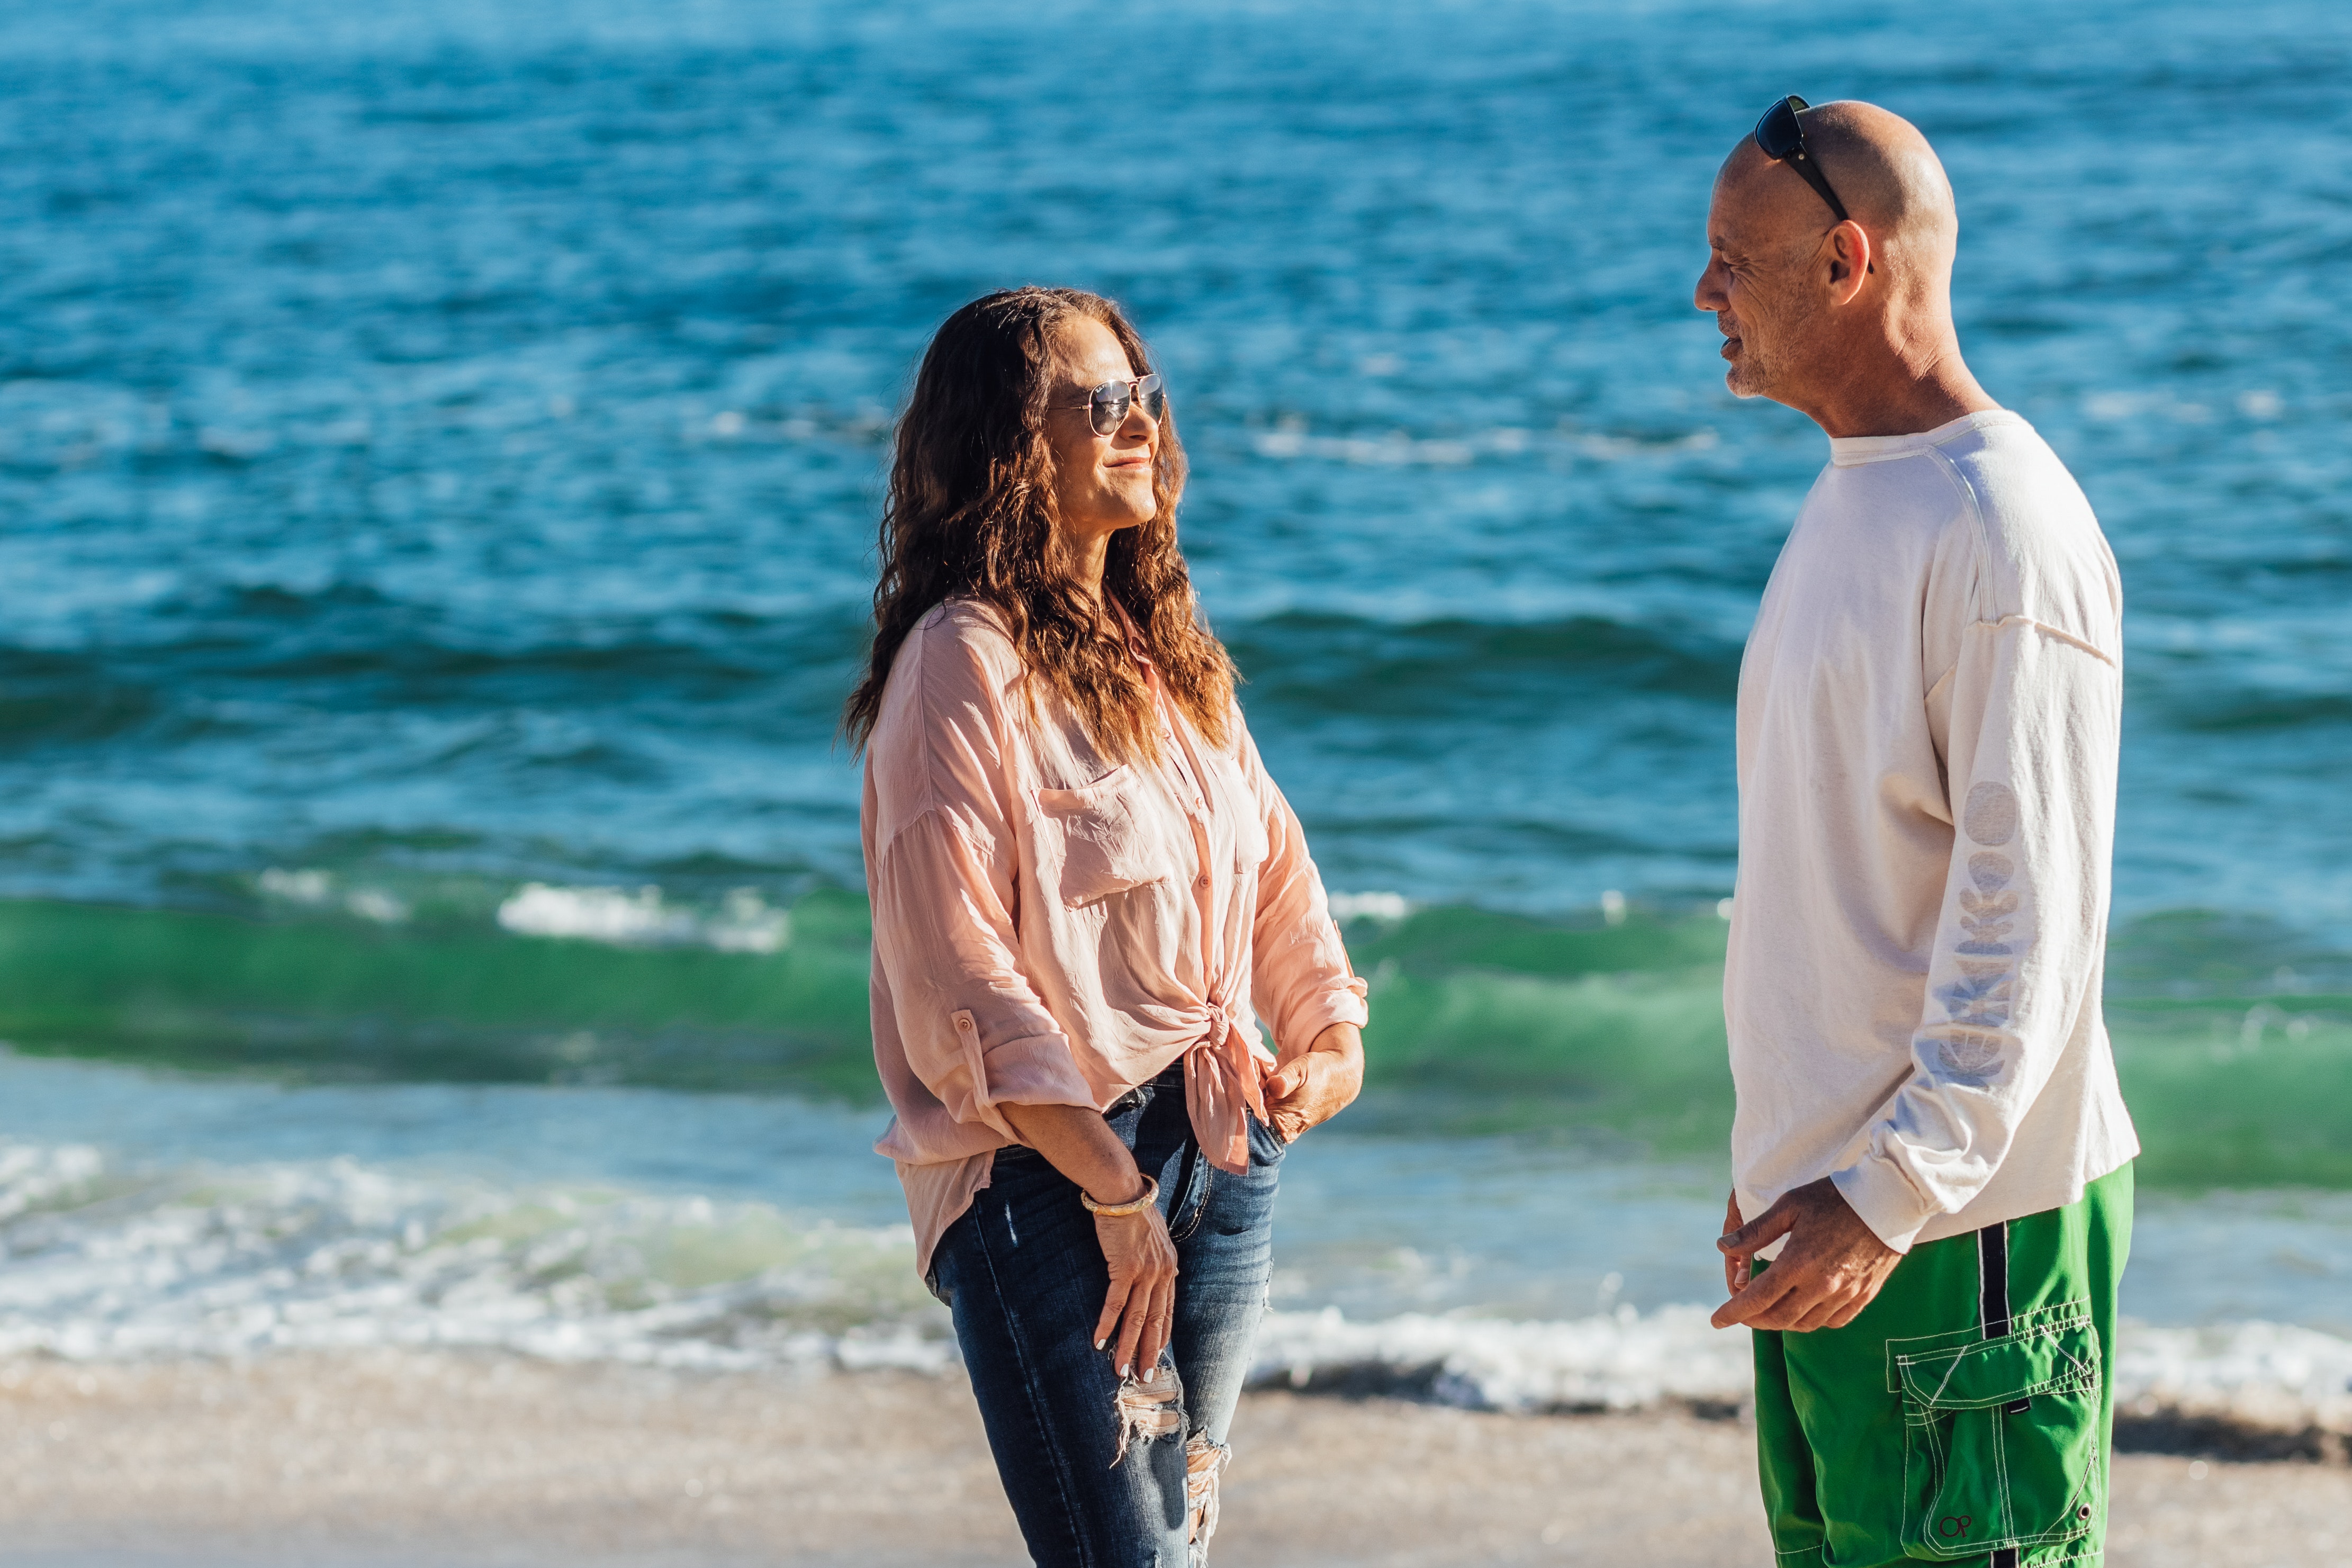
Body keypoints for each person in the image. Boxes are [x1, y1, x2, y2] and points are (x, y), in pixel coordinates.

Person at [842, 286, 1368, 1568]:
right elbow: (957, 972)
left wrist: (1328, 1031)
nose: (1140, 421)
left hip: (1214, 1147)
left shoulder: (1166, 652)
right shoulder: (959, 663)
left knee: (1177, 1552)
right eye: (1101, 400)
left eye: (1145, 395)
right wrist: (1112, 1184)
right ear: (1011, 441)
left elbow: (1272, 861)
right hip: (1046, 1177)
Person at [1695, 98, 2140, 1568]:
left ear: (1842, 260)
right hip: (1832, 1208)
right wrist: (1777, 1159)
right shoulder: (1853, 501)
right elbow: (1841, 890)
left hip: (1955, 1231)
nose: (1704, 294)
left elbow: (2031, 923)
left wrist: (1886, 1195)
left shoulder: (1999, 527)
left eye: (1729, 261)